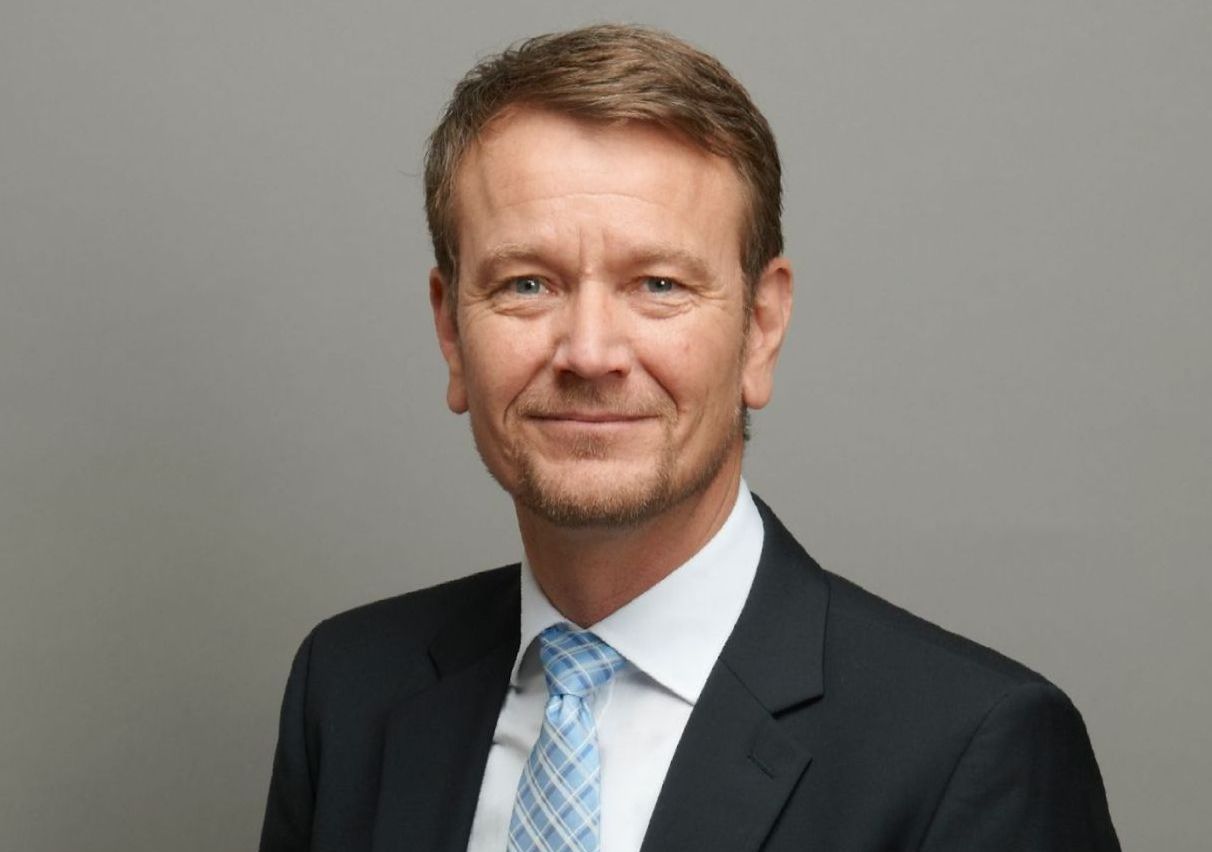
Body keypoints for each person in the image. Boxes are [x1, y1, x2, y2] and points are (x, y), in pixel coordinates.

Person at [259, 24, 1120, 852]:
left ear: (760, 329)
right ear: (451, 330)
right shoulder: (351, 690)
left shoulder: (971, 748)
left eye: (659, 284)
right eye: (526, 284)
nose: (589, 352)